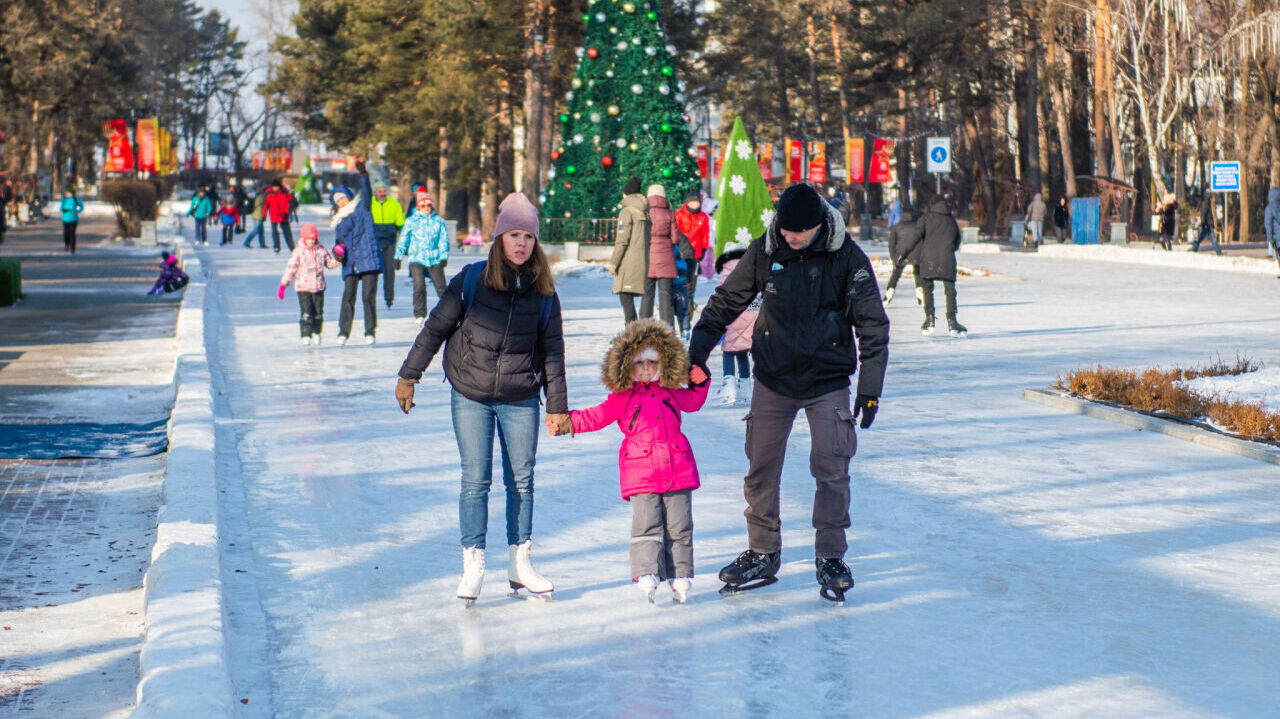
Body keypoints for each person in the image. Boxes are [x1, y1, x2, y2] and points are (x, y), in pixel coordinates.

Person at [687, 183, 889, 602]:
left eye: (799, 232)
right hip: (774, 377)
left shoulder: (846, 257)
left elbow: (872, 325)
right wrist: (697, 353)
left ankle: (830, 555)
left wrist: (869, 390)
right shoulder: (768, 248)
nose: (790, 237)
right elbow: (726, 301)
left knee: (831, 465)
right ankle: (763, 550)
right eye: (785, 229)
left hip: (826, 380)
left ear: (818, 226)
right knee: (760, 466)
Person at [395, 192, 567, 606]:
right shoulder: (471, 279)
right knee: (476, 480)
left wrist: (558, 405)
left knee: (521, 481)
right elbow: (435, 328)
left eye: (528, 236)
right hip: (470, 392)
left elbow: (554, 352)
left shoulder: (544, 293)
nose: (521, 243)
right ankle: (473, 565)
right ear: (499, 238)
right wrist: (408, 375)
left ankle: (520, 562)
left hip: (521, 395)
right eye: (514, 235)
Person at [550, 319, 709, 604]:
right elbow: (595, 416)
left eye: (652, 361)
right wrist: (566, 423)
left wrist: (701, 382)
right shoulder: (622, 398)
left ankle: (680, 574)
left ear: (663, 363)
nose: (646, 368)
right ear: (626, 366)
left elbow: (693, 402)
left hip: (678, 466)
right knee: (647, 523)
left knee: (680, 525)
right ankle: (647, 571)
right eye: (639, 363)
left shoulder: (671, 390)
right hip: (641, 472)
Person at [897, 197, 966, 337]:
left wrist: (903, 254)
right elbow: (957, 241)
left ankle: (929, 320)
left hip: (928, 259)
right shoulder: (951, 220)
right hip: (947, 259)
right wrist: (950, 247)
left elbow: (915, 237)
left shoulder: (925, 219)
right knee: (950, 290)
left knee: (927, 289)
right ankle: (952, 321)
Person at [330, 161, 383, 345]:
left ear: (349, 197)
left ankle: (370, 331)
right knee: (348, 297)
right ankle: (343, 332)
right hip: (351, 262)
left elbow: (367, 193)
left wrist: (363, 176)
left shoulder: (362, 208)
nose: (341, 201)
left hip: (368, 259)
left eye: (343, 198)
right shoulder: (338, 220)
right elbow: (339, 244)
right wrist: (337, 252)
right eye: (338, 200)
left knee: (368, 297)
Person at [712, 242, 759, 406]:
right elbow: (758, 294)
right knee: (742, 351)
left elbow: (721, 296)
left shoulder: (725, 272)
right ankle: (746, 388)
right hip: (751, 315)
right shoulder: (751, 269)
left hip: (732, 315)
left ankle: (729, 387)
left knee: (728, 351)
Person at [394, 189, 450, 324]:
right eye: (423, 206)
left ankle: (448, 311)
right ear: (418, 207)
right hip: (417, 258)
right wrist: (398, 256)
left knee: (441, 287)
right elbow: (404, 239)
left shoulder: (438, 221)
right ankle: (420, 313)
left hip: (434, 258)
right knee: (419, 286)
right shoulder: (411, 221)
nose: (426, 208)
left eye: (428, 205)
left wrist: (443, 256)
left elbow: (443, 239)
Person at [278, 223, 339, 346]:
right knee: (307, 312)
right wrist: (284, 284)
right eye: (309, 238)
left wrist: (338, 257)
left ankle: (317, 332)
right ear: (304, 238)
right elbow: (291, 267)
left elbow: (330, 264)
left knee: (318, 313)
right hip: (303, 288)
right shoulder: (299, 251)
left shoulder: (321, 250)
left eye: (313, 238)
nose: (311, 241)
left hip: (318, 287)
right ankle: (306, 334)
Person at [612, 176, 650, 324]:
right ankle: (638, 328)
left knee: (624, 293)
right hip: (644, 261)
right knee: (642, 297)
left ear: (625, 194)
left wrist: (614, 262)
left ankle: (631, 330)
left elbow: (622, 240)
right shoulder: (645, 211)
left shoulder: (627, 212)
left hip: (628, 262)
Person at [642, 184, 679, 326]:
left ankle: (644, 328)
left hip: (648, 258)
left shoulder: (644, 212)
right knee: (665, 296)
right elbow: (675, 239)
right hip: (666, 258)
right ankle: (668, 329)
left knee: (647, 295)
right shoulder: (670, 214)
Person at [673, 190, 710, 314]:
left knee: (692, 281)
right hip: (681, 253)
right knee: (682, 280)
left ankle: (690, 302)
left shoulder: (702, 217)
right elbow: (675, 233)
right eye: (692, 202)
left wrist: (704, 249)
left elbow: (705, 234)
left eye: (697, 202)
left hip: (696, 254)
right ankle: (680, 302)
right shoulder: (678, 215)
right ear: (687, 202)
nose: (695, 205)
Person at [370, 180, 405, 308]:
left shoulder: (394, 204)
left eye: (384, 191)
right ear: (375, 193)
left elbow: (401, 224)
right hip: (374, 243)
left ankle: (389, 298)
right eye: (380, 191)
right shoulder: (370, 204)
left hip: (389, 242)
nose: (383, 193)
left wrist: (404, 242)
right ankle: (370, 297)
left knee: (389, 272)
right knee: (372, 272)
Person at [882, 203, 922, 306]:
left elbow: (891, 244)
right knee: (918, 274)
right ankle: (921, 294)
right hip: (917, 255)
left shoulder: (897, 227)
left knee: (895, 275)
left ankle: (888, 294)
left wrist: (894, 258)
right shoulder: (919, 225)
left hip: (901, 255)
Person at [265, 179, 295, 253]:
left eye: (276, 187)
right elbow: (265, 205)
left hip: (283, 216)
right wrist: (263, 215)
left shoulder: (285, 193)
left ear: (279, 187)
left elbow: (291, 202)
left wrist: (287, 212)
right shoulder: (269, 194)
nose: (275, 188)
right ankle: (276, 247)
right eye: (274, 187)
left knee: (287, 232)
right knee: (274, 232)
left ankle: (292, 247)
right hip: (274, 216)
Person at [59, 189, 84, 253]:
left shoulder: (76, 199)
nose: (67, 193)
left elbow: (81, 206)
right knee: (66, 233)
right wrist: (65, 209)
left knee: (72, 234)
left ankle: (73, 247)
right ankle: (67, 244)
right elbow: (61, 208)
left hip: (73, 219)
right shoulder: (64, 200)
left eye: (68, 192)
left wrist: (77, 211)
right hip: (65, 219)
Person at [1264, 188, 1280, 276]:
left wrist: (1269, 238)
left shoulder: (1269, 209)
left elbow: (1268, 225)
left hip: (1277, 237)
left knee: (1278, 254)